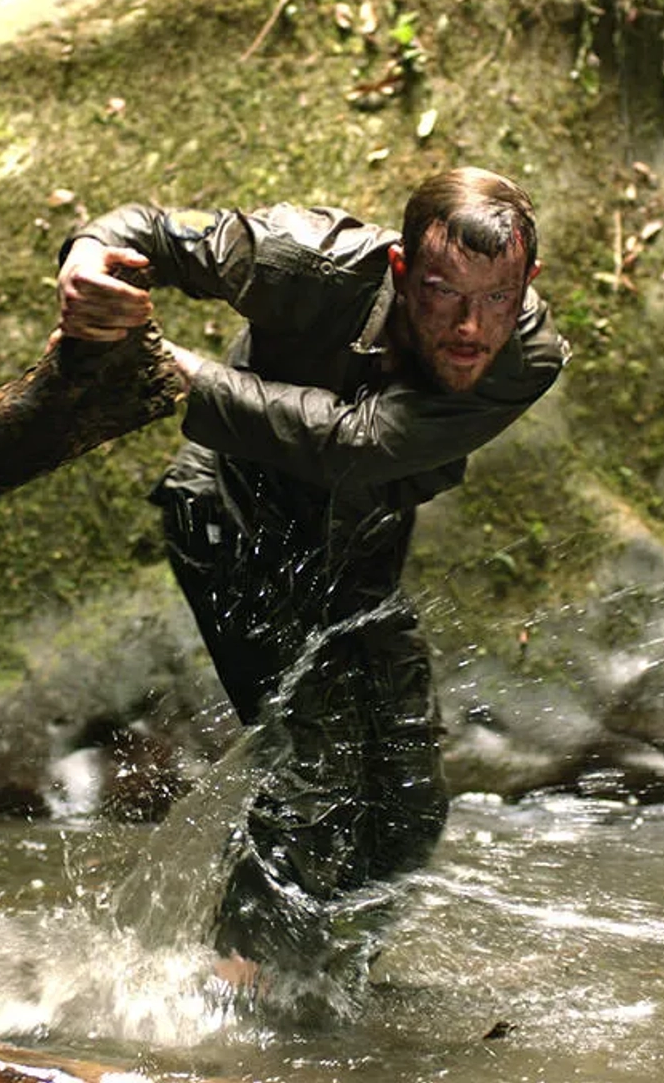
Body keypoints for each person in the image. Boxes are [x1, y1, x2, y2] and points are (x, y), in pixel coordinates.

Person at [55, 167, 566, 1010]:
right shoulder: (313, 259)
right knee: (315, 768)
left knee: (409, 799)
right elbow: (146, 228)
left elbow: (358, 445)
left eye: (497, 298)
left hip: (359, 551)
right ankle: (232, 1000)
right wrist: (87, 261)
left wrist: (174, 372)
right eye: (442, 294)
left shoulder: (527, 355)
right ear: (401, 270)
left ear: (527, 286)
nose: (470, 327)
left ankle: (329, 979)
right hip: (233, 520)